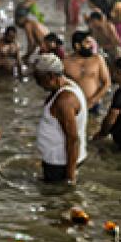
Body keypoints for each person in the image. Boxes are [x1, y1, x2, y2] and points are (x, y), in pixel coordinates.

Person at [31, 53, 87, 184]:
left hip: (60, 165)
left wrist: (70, 176)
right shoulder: (67, 86)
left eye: (39, 79)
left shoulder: (65, 100)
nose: (38, 84)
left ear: (51, 76)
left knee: (54, 202)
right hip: (58, 162)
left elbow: (72, 139)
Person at [62, 31, 111, 113]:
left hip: (94, 105)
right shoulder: (65, 62)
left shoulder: (98, 59)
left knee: (93, 125)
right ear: (77, 46)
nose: (91, 46)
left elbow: (107, 83)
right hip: (73, 105)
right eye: (87, 43)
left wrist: (92, 101)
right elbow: (60, 85)